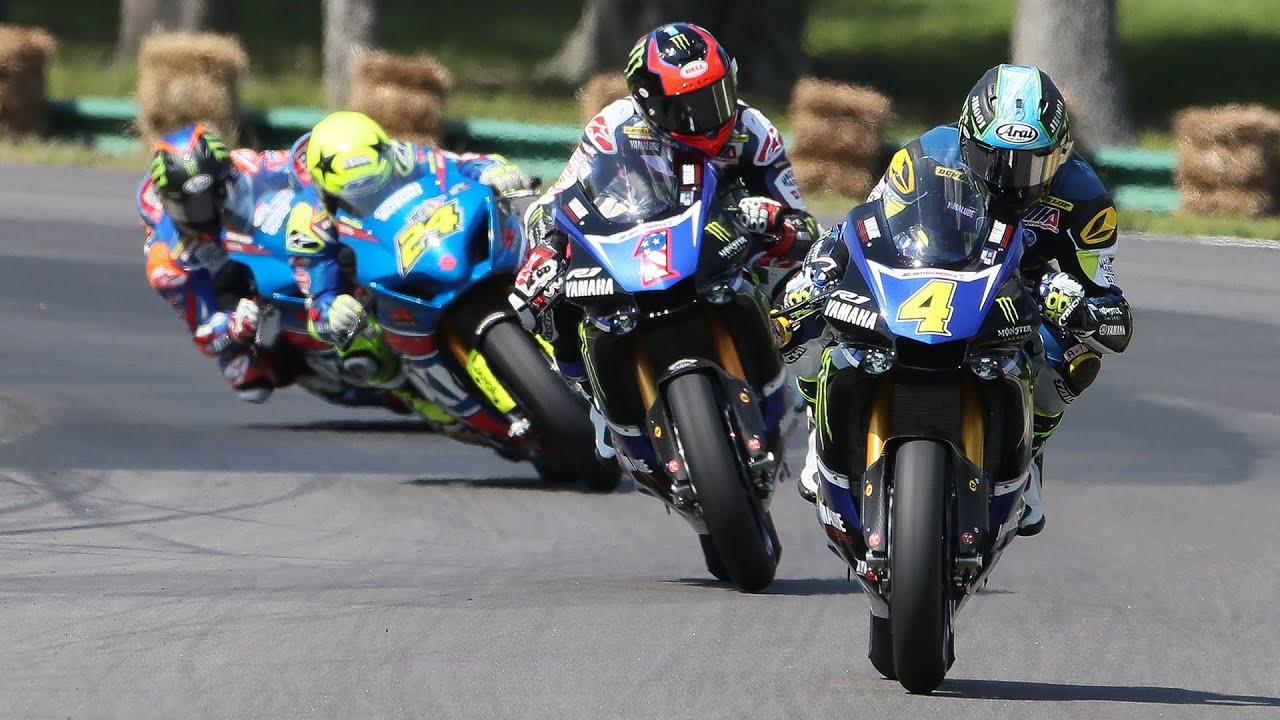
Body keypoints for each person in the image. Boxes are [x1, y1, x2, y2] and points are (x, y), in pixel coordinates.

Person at [778, 64, 1133, 536]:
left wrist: (1084, 309)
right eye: (994, 159)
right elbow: (863, 225)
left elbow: (1108, 304)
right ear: (967, 141)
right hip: (931, 277)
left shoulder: (1087, 204)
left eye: (1029, 164)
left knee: (1075, 355)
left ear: (1061, 154)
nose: (1008, 180)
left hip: (1019, 299)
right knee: (806, 311)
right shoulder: (926, 155)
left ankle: (1029, 455)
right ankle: (816, 426)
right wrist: (821, 268)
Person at [508, 22, 822, 455]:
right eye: (687, 107)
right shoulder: (613, 127)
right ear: (649, 105)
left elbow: (804, 227)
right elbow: (558, 201)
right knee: (557, 298)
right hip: (643, 247)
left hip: (726, 244)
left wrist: (775, 220)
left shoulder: (755, 130)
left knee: (813, 285)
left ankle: (794, 401)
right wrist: (545, 248)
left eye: (717, 96)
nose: (709, 117)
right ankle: (592, 393)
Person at [290, 110, 536, 430]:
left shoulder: (409, 156)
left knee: (538, 227)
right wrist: (332, 310)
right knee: (361, 351)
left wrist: (494, 171)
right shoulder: (308, 222)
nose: (365, 191)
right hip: (378, 292)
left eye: (372, 181)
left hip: (436, 244)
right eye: (354, 189)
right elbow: (316, 300)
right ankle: (419, 398)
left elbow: (465, 164)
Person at [138, 124, 300, 403]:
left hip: (267, 234)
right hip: (224, 276)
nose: (208, 213)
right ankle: (299, 361)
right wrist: (231, 324)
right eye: (193, 207)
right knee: (247, 379)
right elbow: (204, 335)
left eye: (216, 195)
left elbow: (298, 163)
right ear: (169, 204)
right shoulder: (166, 262)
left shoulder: (244, 164)